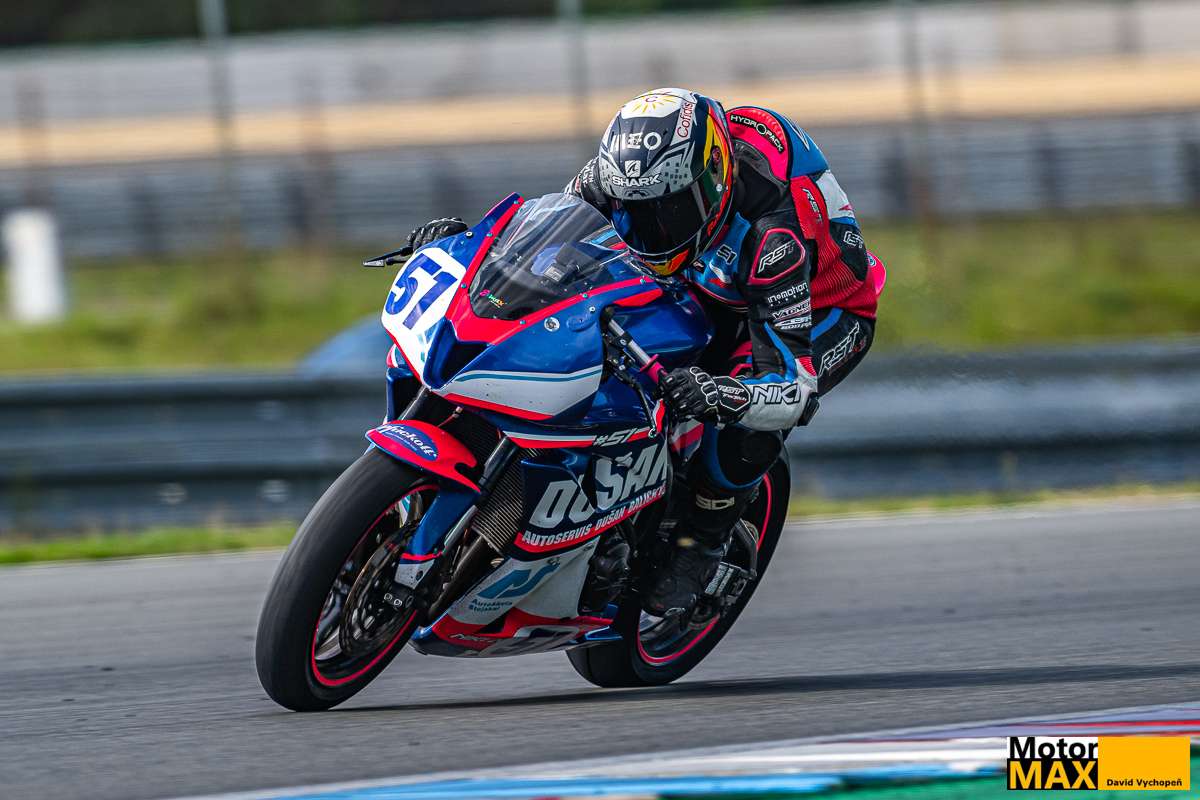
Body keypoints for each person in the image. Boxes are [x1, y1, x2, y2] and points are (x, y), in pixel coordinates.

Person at [408, 88, 884, 615]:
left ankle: (702, 540)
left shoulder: (774, 237)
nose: (650, 229)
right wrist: (472, 252)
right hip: (704, 277)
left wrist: (722, 394)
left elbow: (793, 390)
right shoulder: (619, 175)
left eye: (669, 210)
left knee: (742, 423)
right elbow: (548, 241)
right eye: (634, 212)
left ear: (712, 182)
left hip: (822, 308)